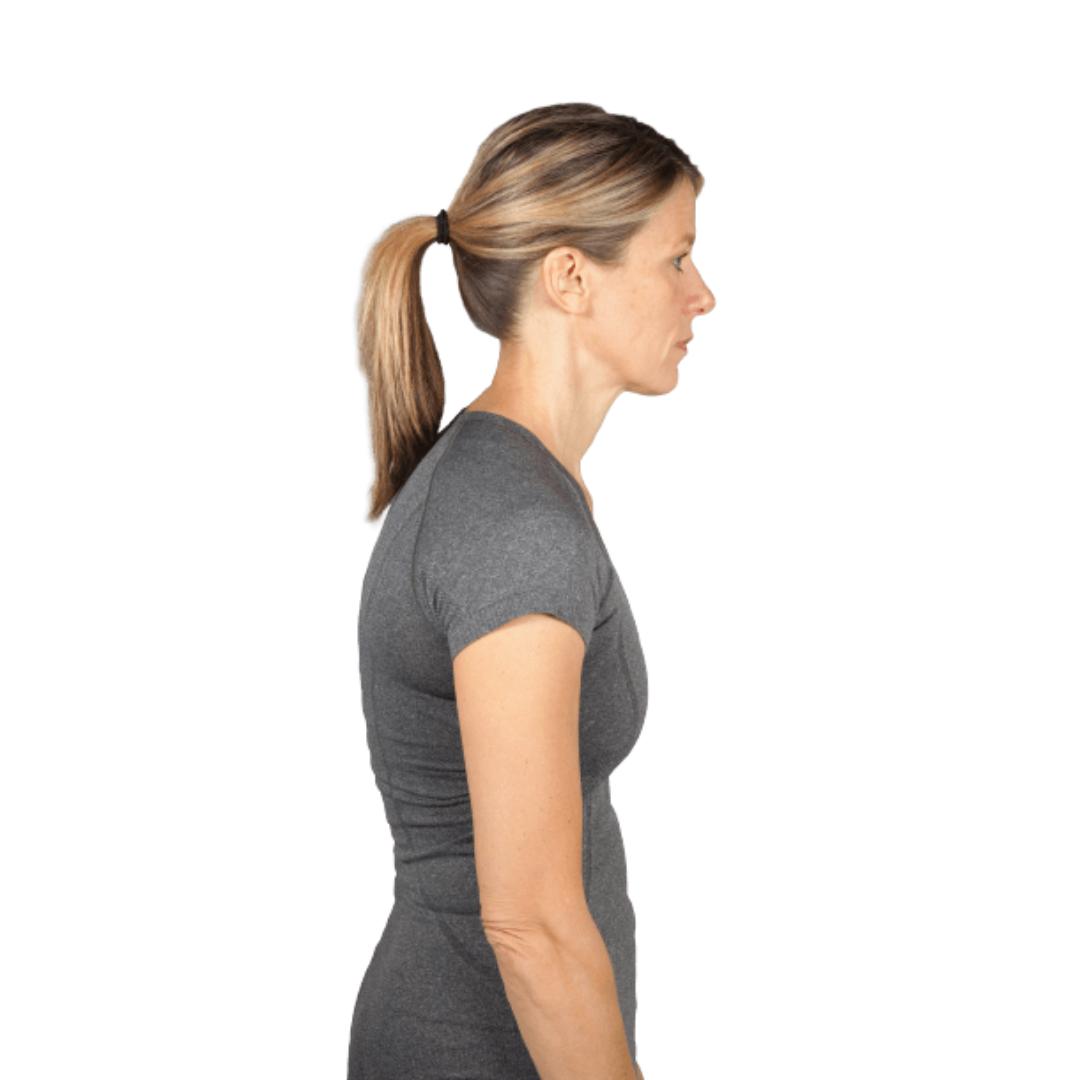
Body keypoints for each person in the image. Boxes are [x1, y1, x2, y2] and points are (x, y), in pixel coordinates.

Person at [348, 102, 715, 1080]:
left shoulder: (517, 486)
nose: (703, 295)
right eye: (677, 259)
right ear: (570, 278)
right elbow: (533, 925)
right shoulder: (514, 527)